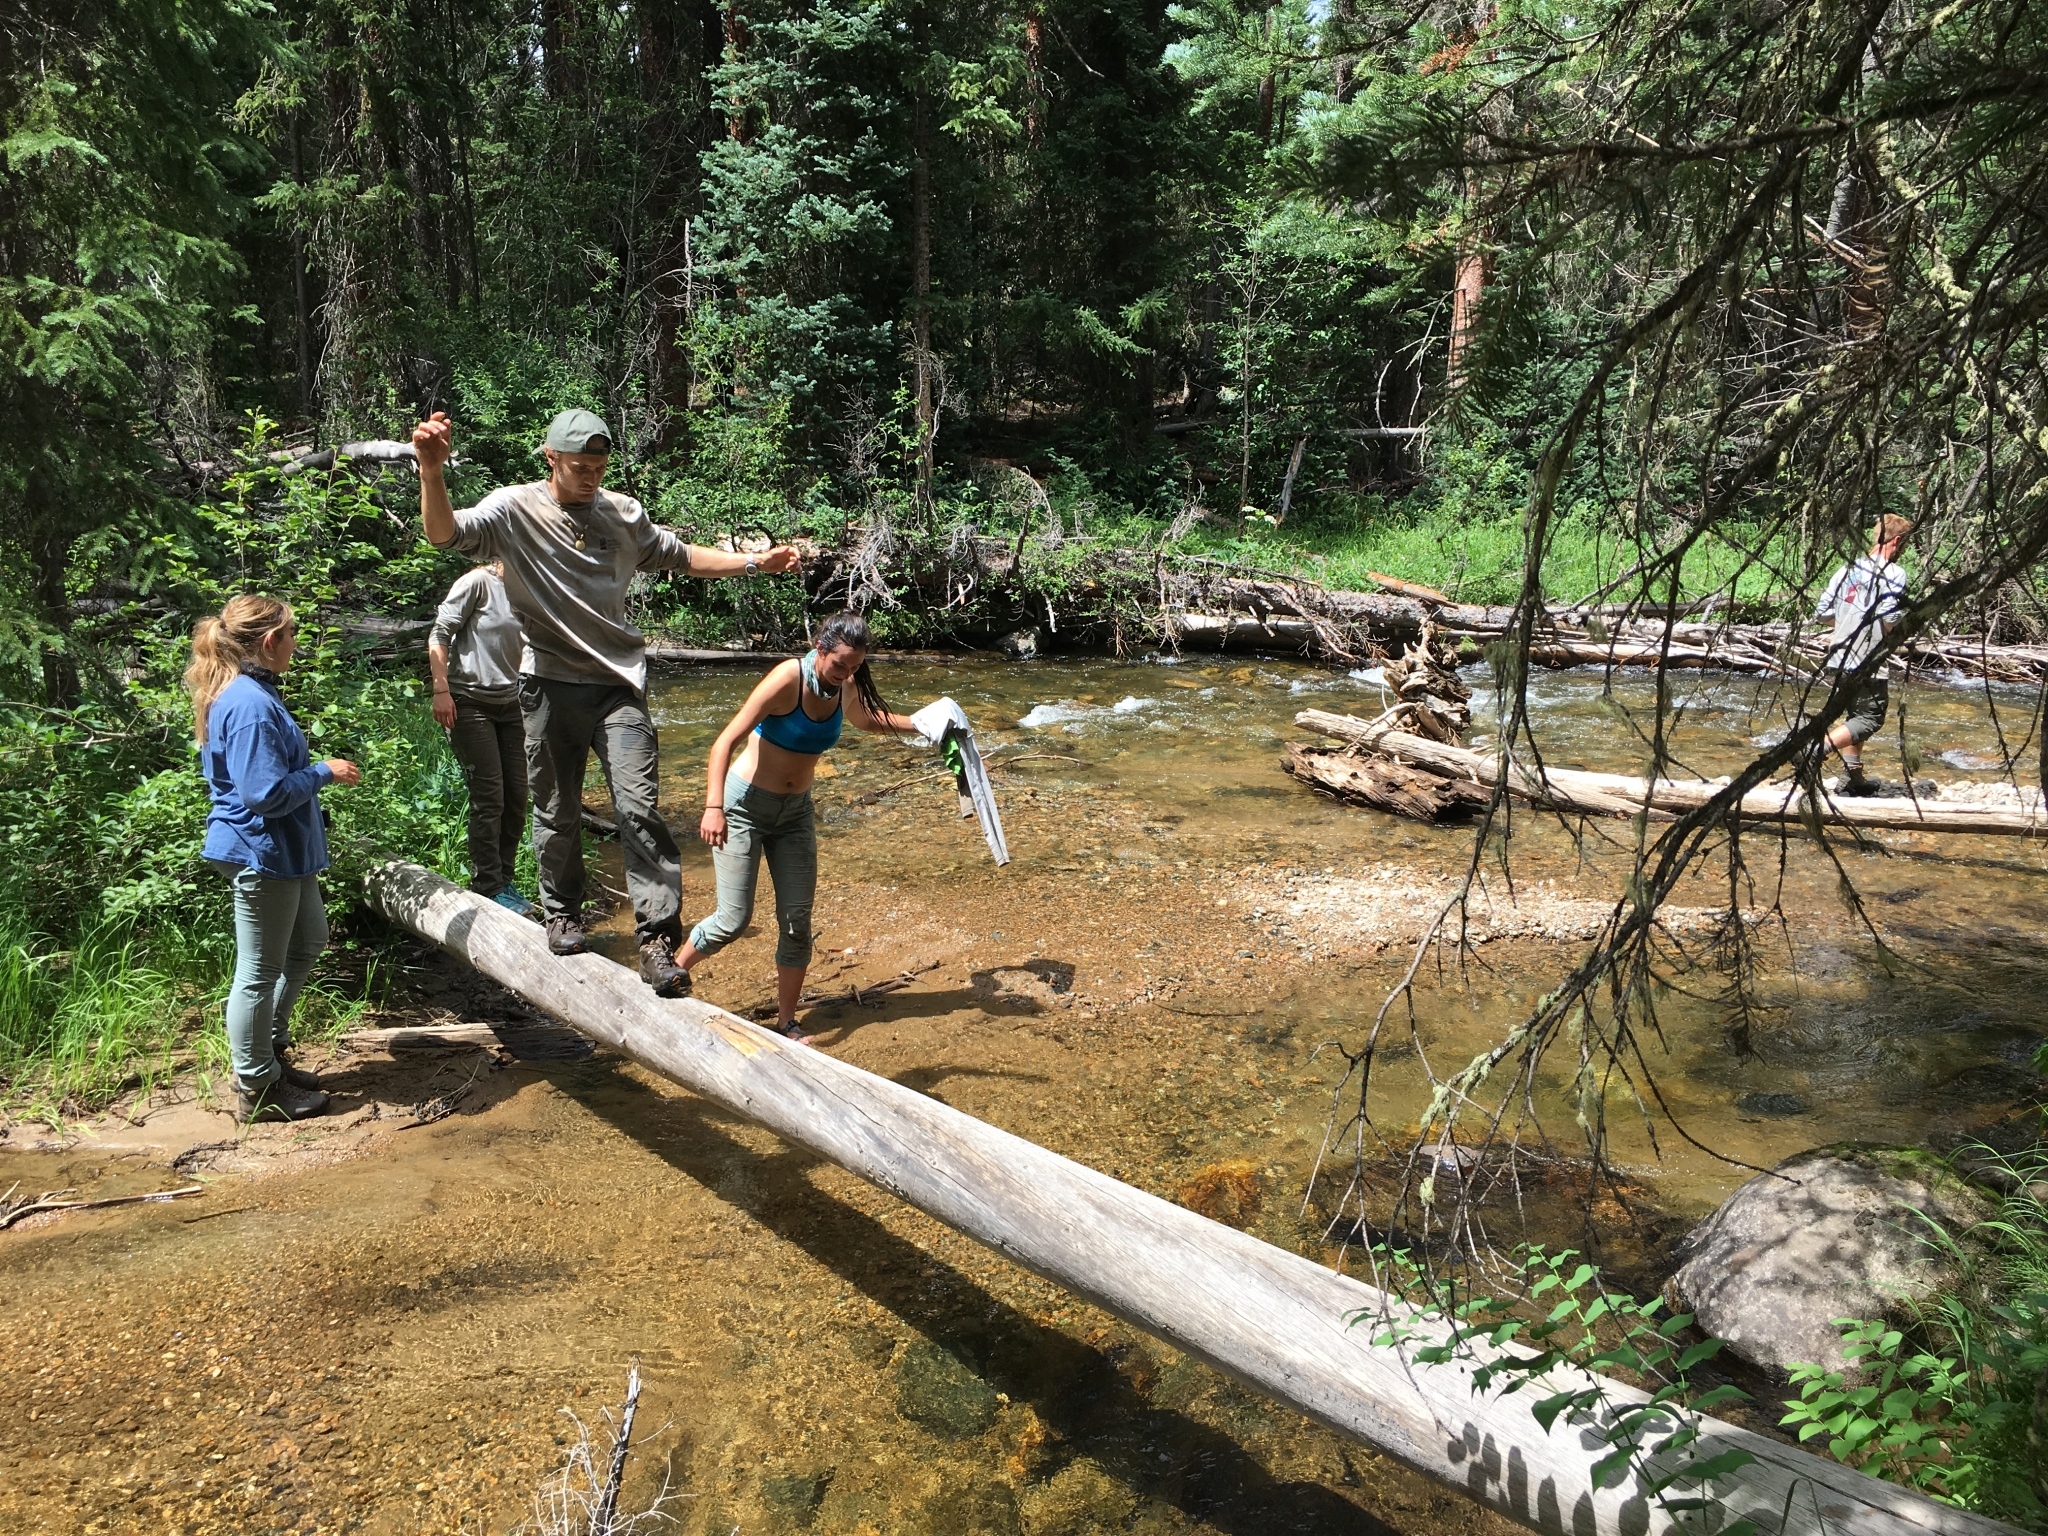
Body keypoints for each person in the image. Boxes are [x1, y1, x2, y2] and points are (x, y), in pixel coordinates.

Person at [412, 407, 800, 994]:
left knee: (639, 808)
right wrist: (432, 473)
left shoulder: (622, 514)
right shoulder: (513, 508)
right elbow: (444, 534)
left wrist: (753, 562)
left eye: (599, 466)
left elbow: (682, 555)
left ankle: (655, 940)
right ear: (551, 460)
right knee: (557, 807)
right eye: (579, 467)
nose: (591, 476)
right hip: (546, 683)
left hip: (619, 685)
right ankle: (562, 911)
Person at [677, 610, 922, 1039]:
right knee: (733, 920)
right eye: (840, 664)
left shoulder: (843, 682)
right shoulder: (787, 678)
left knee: (797, 921)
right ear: (819, 649)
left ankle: (786, 1022)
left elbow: (867, 720)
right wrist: (712, 806)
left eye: (855, 667)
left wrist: (923, 725)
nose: (846, 673)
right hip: (743, 808)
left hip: (795, 815)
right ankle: (671, 974)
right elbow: (725, 741)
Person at [185, 596, 361, 1123]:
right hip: (259, 851)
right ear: (269, 642)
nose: (296, 644)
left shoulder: (254, 694)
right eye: (292, 635)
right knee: (258, 971)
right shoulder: (249, 704)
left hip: (284, 852)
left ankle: (270, 1051)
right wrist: (323, 772)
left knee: (309, 941)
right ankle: (256, 1086)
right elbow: (263, 794)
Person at [429, 561, 535, 914]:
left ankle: (504, 880)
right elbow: (440, 633)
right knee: (490, 795)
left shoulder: (532, 586)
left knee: (517, 796)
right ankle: (487, 885)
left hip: (513, 704)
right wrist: (440, 689)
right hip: (469, 702)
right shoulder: (479, 583)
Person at [1814, 514, 1914, 796]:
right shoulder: (1894, 573)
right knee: (1870, 718)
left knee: (1854, 715)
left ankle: (1853, 777)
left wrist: (1849, 621)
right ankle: (1816, 749)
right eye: (1904, 545)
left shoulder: (1845, 568)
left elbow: (1821, 612)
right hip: (1868, 655)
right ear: (1896, 541)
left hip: (1839, 654)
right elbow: (1891, 617)